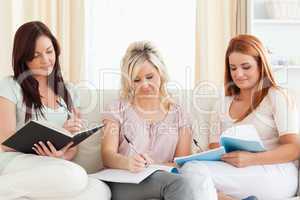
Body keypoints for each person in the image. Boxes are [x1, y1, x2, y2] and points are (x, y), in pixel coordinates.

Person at [180, 34, 300, 200]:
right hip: (238, 172)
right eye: (233, 68)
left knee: (193, 172)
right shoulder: (221, 104)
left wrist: (252, 159)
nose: (239, 74)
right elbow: (215, 149)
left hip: (276, 172)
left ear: (260, 65)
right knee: (187, 172)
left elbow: (294, 148)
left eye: (246, 67)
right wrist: (226, 157)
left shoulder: (276, 96)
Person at [0, 21, 102, 199]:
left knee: (99, 188)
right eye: (36, 55)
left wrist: (60, 156)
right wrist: (54, 139)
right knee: (75, 178)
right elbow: (5, 140)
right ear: (23, 58)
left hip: (55, 164)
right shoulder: (10, 85)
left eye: (49, 51)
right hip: (17, 162)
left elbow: (73, 148)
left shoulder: (69, 91)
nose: (46, 60)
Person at [101, 41, 209, 200]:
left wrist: (152, 167)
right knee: (180, 185)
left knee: (187, 181)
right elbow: (107, 155)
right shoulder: (117, 109)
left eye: (150, 77)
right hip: (123, 179)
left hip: (162, 178)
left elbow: (180, 163)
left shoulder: (180, 113)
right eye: (136, 80)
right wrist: (128, 162)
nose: (145, 85)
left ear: (161, 73)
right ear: (128, 82)